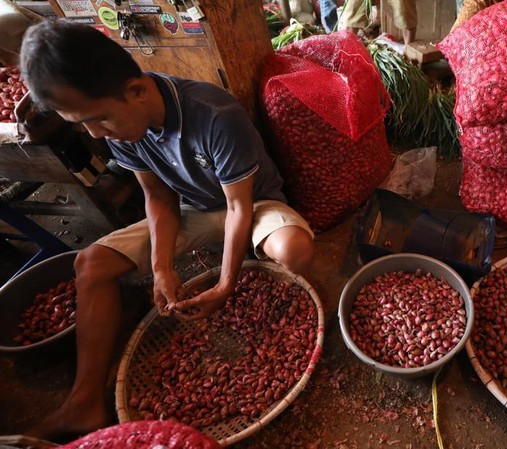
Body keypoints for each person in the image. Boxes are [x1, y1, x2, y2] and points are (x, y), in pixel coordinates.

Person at [19, 20, 315, 440]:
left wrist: (227, 283)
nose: (95, 133)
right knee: (91, 263)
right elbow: (158, 200)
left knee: (294, 250)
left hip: (251, 203)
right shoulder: (120, 124)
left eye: (98, 119)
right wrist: (160, 267)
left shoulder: (216, 114)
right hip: (191, 210)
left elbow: (237, 206)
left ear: (136, 91)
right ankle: (83, 403)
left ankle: (245, 267)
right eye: (82, 124)